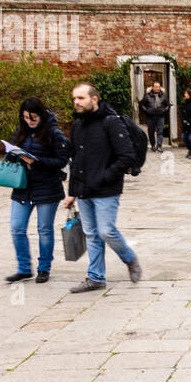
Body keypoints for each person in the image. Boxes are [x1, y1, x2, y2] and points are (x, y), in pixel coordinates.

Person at [60, 83, 142, 292]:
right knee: (91, 234)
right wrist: (72, 193)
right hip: (84, 191)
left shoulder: (111, 122)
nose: (76, 102)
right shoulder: (77, 125)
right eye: (74, 99)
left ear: (94, 99)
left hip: (106, 190)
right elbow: (75, 161)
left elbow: (127, 156)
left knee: (106, 231)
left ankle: (130, 258)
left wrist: (104, 176)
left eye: (81, 98)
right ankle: (96, 277)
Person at [5, 98, 69, 284]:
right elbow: (12, 154)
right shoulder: (20, 132)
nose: (29, 121)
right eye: (25, 118)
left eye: (33, 118)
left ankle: (44, 268)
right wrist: (13, 156)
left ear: (41, 115)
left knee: (44, 229)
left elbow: (61, 161)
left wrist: (37, 161)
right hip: (23, 186)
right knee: (17, 228)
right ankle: (24, 268)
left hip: (47, 186)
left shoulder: (54, 134)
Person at [140, 81, 170, 153]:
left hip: (160, 117)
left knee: (160, 131)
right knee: (151, 132)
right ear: (153, 87)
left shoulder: (163, 96)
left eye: (159, 87)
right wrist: (146, 111)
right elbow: (141, 104)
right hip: (150, 117)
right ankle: (153, 146)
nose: (158, 88)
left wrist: (164, 111)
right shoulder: (147, 96)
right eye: (156, 87)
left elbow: (168, 105)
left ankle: (159, 146)